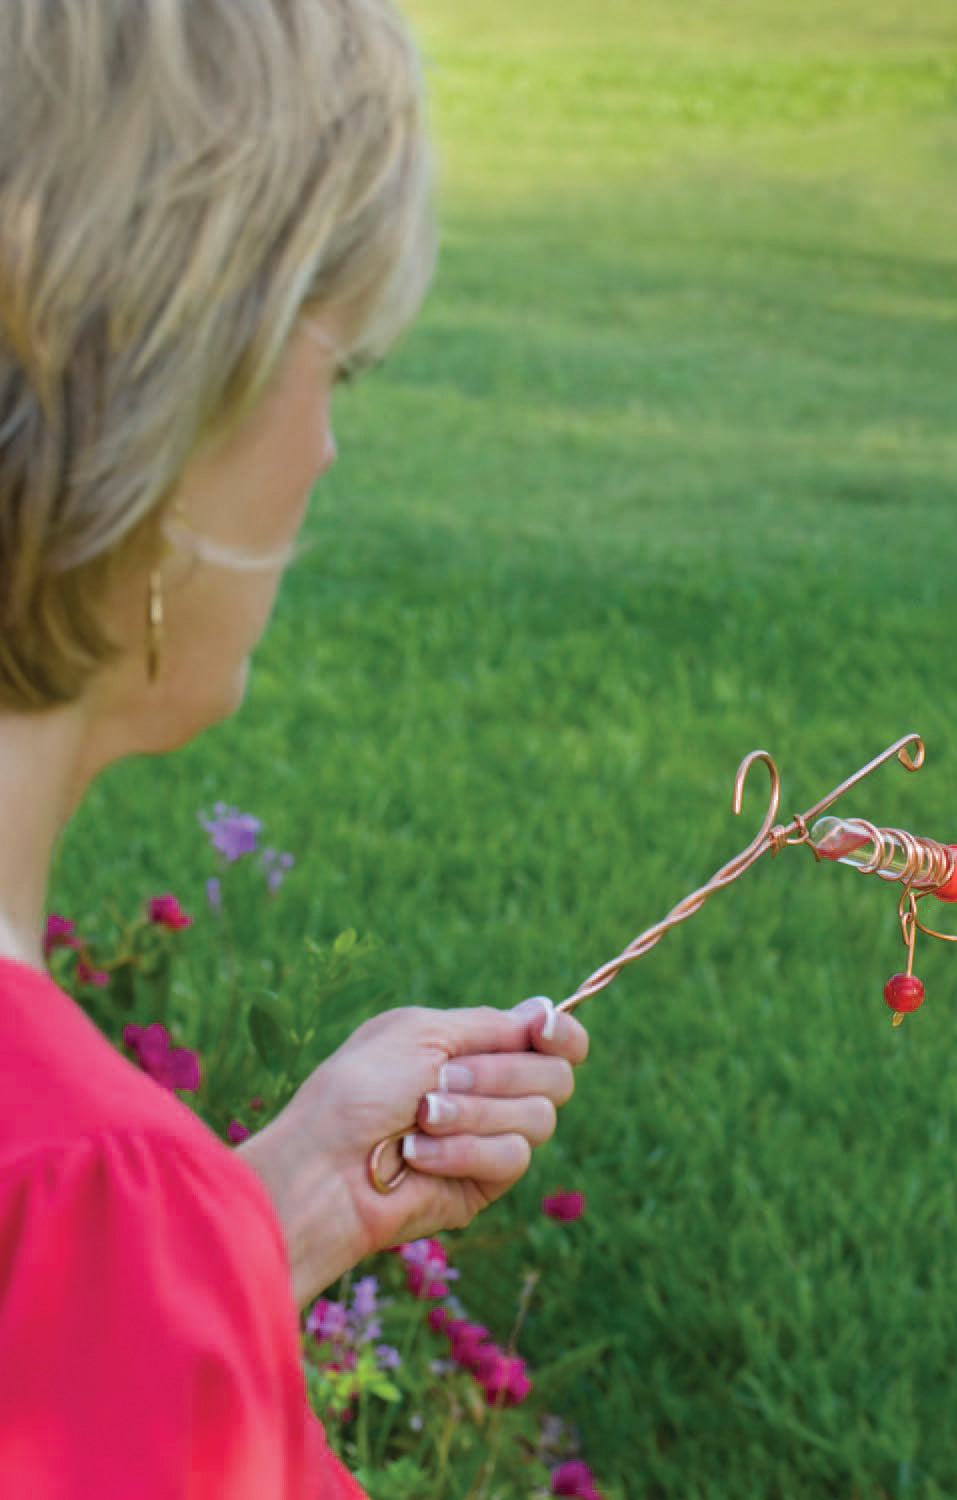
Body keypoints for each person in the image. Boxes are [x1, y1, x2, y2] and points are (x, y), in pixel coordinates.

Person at [0, 1, 589, 1495]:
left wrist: (277, 1209)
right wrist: (159, 1237)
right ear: (163, 409)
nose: (325, 449)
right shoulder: (81, 1192)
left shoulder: (88, 1217)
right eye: (336, 369)